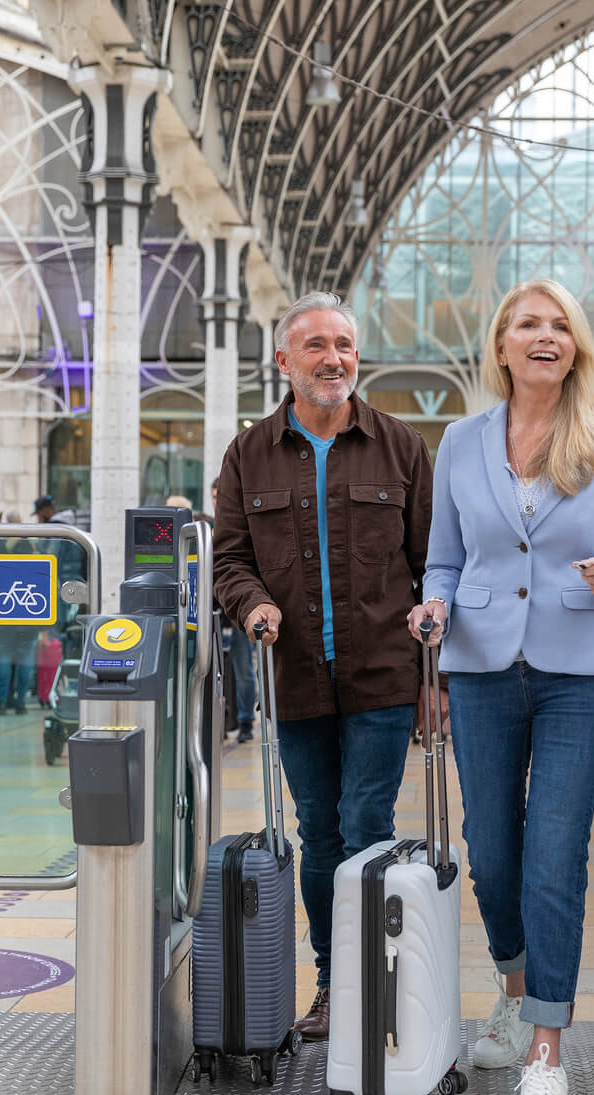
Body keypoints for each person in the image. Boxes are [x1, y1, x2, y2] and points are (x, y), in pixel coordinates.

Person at [409, 278, 594, 1095]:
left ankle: (547, 1051)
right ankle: (514, 995)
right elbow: (444, 559)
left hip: (580, 673)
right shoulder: (459, 441)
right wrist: (434, 607)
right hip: (480, 665)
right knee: (490, 851)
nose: (544, 336)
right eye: (528, 324)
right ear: (503, 345)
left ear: (577, 347)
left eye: (560, 326)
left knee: (554, 851)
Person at [213, 291, 433, 1043]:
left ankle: (377, 981)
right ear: (284, 362)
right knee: (318, 831)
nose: (334, 358)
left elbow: (433, 563)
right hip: (296, 678)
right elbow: (230, 561)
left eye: (344, 344)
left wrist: (434, 683)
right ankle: (336, 982)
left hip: (382, 676)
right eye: (316, 346)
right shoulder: (247, 455)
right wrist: (251, 608)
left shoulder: (400, 446)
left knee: (366, 824)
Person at [211, 477, 258, 743]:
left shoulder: (242, 526)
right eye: (214, 496)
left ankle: (244, 721)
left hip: (241, 606)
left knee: (243, 668)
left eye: (221, 495)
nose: (217, 501)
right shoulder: (206, 528)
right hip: (214, 608)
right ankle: (219, 720)